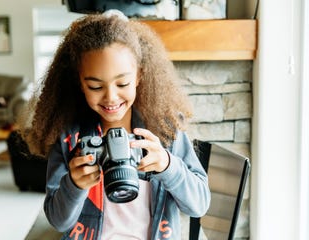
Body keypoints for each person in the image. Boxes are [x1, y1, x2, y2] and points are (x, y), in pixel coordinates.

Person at [21, 10, 210, 240]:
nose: (111, 97)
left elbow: (199, 206)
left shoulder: (164, 130)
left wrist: (168, 165)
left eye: (122, 83)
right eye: (95, 87)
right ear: (80, 83)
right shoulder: (70, 137)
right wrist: (73, 185)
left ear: (139, 75)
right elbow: (58, 221)